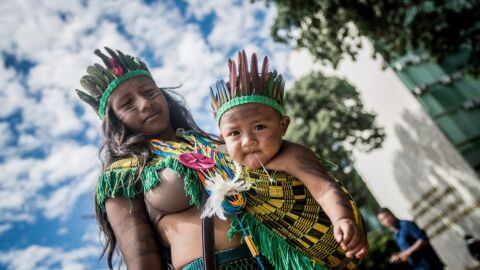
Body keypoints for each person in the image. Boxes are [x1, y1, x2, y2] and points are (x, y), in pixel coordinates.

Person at [76, 47, 364, 270]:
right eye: (127, 104)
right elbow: (143, 256)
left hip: (272, 259)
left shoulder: (223, 142)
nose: (144, 103)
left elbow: (298, 166)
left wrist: (341, 216)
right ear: (114, 121)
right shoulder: (122, 175)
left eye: (150, 92)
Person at [208, 50, 368, 261]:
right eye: (234, 133)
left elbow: (324, 189)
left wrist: (343, 219)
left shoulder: (292, 155)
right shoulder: (226, 160)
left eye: (259, 127)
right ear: (224, 138)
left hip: (333, 253)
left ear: (283, 125)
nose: (248, 141)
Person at [377, 207, 445, 269]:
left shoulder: (406, 224)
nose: (386, 220)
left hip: (429, 264)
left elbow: (423, 239)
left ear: (392, 214)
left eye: (386, 216)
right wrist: (399, 257)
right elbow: (407, 250)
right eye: (382, 220)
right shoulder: (395, 234)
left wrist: (406, 253)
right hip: (418, 266)